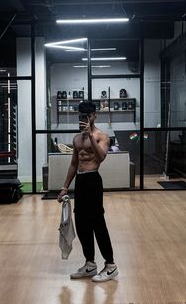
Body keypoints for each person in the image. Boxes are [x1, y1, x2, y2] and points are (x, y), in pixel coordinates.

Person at [57, 101, 118, 282]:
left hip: (93, 180)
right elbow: (74, 164)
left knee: (97, 223)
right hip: (81, 183)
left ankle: (110, 265)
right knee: (82, 224)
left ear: (93, 116)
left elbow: (101, 157)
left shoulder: (102, 136)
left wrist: (90, 136)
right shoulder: (76, 139)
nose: (83, 120)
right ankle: (90, 264)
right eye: (80, 117)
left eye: (86, 116)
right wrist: (64, 187)